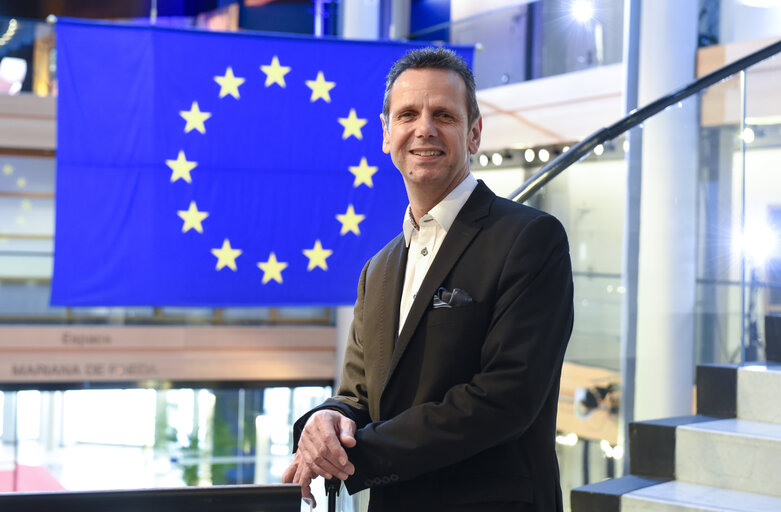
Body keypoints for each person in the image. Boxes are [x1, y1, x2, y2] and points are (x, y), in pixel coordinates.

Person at [282, 47, 574, 512]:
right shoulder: (376, 271)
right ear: (386, 133)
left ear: (474, 133)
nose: (424, 129)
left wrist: (355, 457)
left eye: (444, 115)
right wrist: (325, 421)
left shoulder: (530, 239)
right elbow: (357, 395)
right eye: (408, 115)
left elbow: (504, 399)